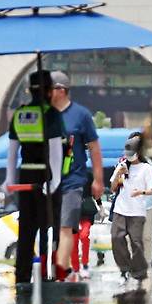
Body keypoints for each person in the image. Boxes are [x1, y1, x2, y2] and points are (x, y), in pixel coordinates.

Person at [3, 70, 64, 284]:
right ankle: (50, 273)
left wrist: (9, 178)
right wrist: (55, 178)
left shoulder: (20, 114)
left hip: (25, 175)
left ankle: (22, 277)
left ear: (29, 90)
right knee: (51, 228)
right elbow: (57, 150)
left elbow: (12, 152)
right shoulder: (51, 114)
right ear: (48, 91)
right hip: (45, 175)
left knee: (26, 230)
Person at [50, 71, 104, 281]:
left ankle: (61, 274)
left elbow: (94, 148)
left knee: (66, 227)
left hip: (72, 181)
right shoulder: (45, 115)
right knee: (56, 229)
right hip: (49, 182)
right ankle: (56, 269)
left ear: (61, 90)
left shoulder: (81, 115)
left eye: (50, 88)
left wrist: (98, 179)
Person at [110, 133, 152, 283]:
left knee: (136, 242)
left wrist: (140, 192)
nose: (129, 156)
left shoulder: (146, 168)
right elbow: (112, 188)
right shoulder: (122, 165)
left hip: (137, 211)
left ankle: (140, 271)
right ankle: (124, 267)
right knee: (116, 238)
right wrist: (118, 174)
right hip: (120, 209)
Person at [71, 173, 96, 279]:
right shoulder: (67, 174)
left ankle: (85, 264)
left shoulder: (88, 175)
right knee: (73, 240)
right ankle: (75, 268)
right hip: (72, 211)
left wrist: (100, 206)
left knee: (84, 236)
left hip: (86, 212)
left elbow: (94, 192)